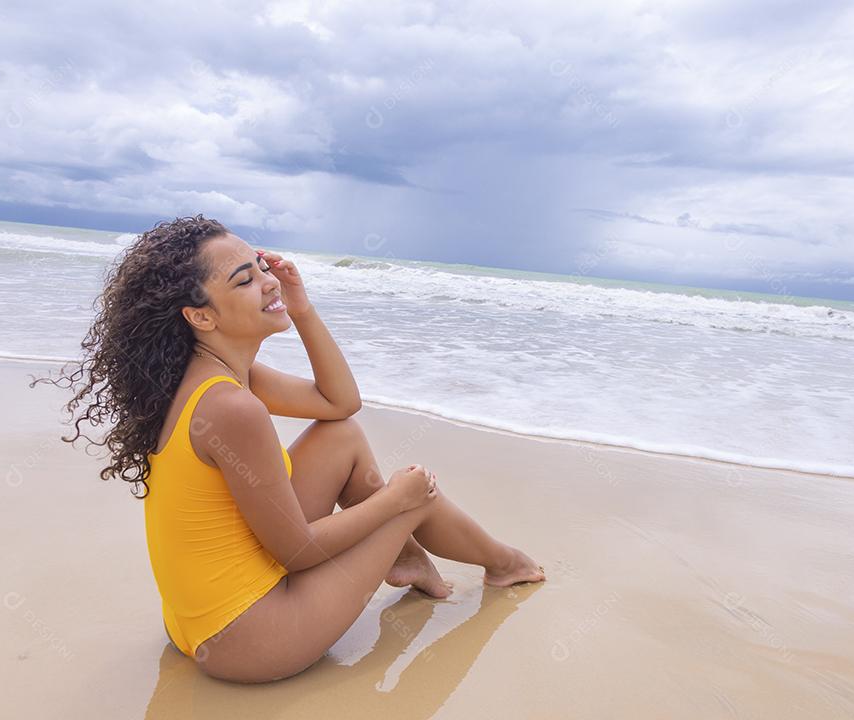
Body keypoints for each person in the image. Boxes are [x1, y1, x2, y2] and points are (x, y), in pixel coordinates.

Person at [37, 214, 545, 683]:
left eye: (262, 266)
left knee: (341, 437)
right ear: (201, 317)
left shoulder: (213, 376)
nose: (269, 280)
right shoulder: (233, 408)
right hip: (250, 641)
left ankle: (409, 559)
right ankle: (503, 563)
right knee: (414, 494)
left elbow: (340, 403)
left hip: (196, 622)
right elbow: (297, 552)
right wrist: (396, 500)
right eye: (245, 279)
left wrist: (300, 308)